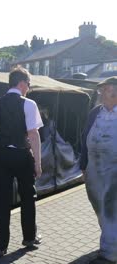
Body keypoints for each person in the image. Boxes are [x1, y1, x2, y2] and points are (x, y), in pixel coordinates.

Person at [0, 66, 43, 258]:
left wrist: (3, 144)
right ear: (21, 83)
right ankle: (29, 238)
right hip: (22, 155)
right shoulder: (29, 104)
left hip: (1, 156)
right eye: (29, 84)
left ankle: (0, 246)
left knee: (1, 200)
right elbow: (33, 135)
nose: (29, 87)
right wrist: (38, 163)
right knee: (28, 197)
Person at [80, 76, 117, 264]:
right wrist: (83, 165)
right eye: (101, 91)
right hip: (94, 170)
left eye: (106, 90)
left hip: (115, 172)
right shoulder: (95, 112)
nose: (101, 94)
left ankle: (109, 253)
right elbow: (84, 136)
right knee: (100, 208)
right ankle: (109, 242)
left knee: (111, 209)